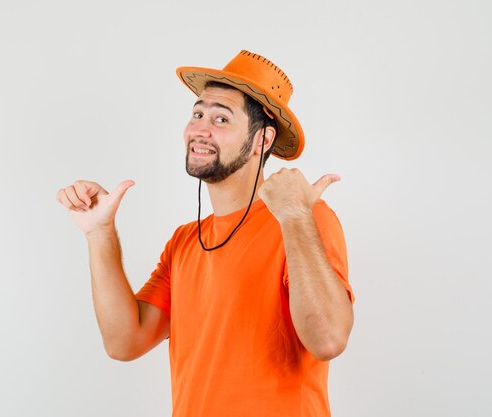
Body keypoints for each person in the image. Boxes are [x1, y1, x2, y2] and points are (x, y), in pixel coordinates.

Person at [56, 50, 355, 417]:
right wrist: (99, 233)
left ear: (262, 140)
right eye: (197, 114)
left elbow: (328, 339)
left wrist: (295, 216)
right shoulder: (183, 242)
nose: (200, 127)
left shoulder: (305, 220)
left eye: (221, 118)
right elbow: (123, 342)